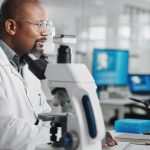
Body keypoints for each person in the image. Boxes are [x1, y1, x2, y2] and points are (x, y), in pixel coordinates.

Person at [0, 0, 117, 150]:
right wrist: (70, 135)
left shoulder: (27, 65)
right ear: (11, 27)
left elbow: (42, 116)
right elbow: (5, 132)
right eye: (39, 24)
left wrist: (82, 130)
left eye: (46, 25)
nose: (45, 32)